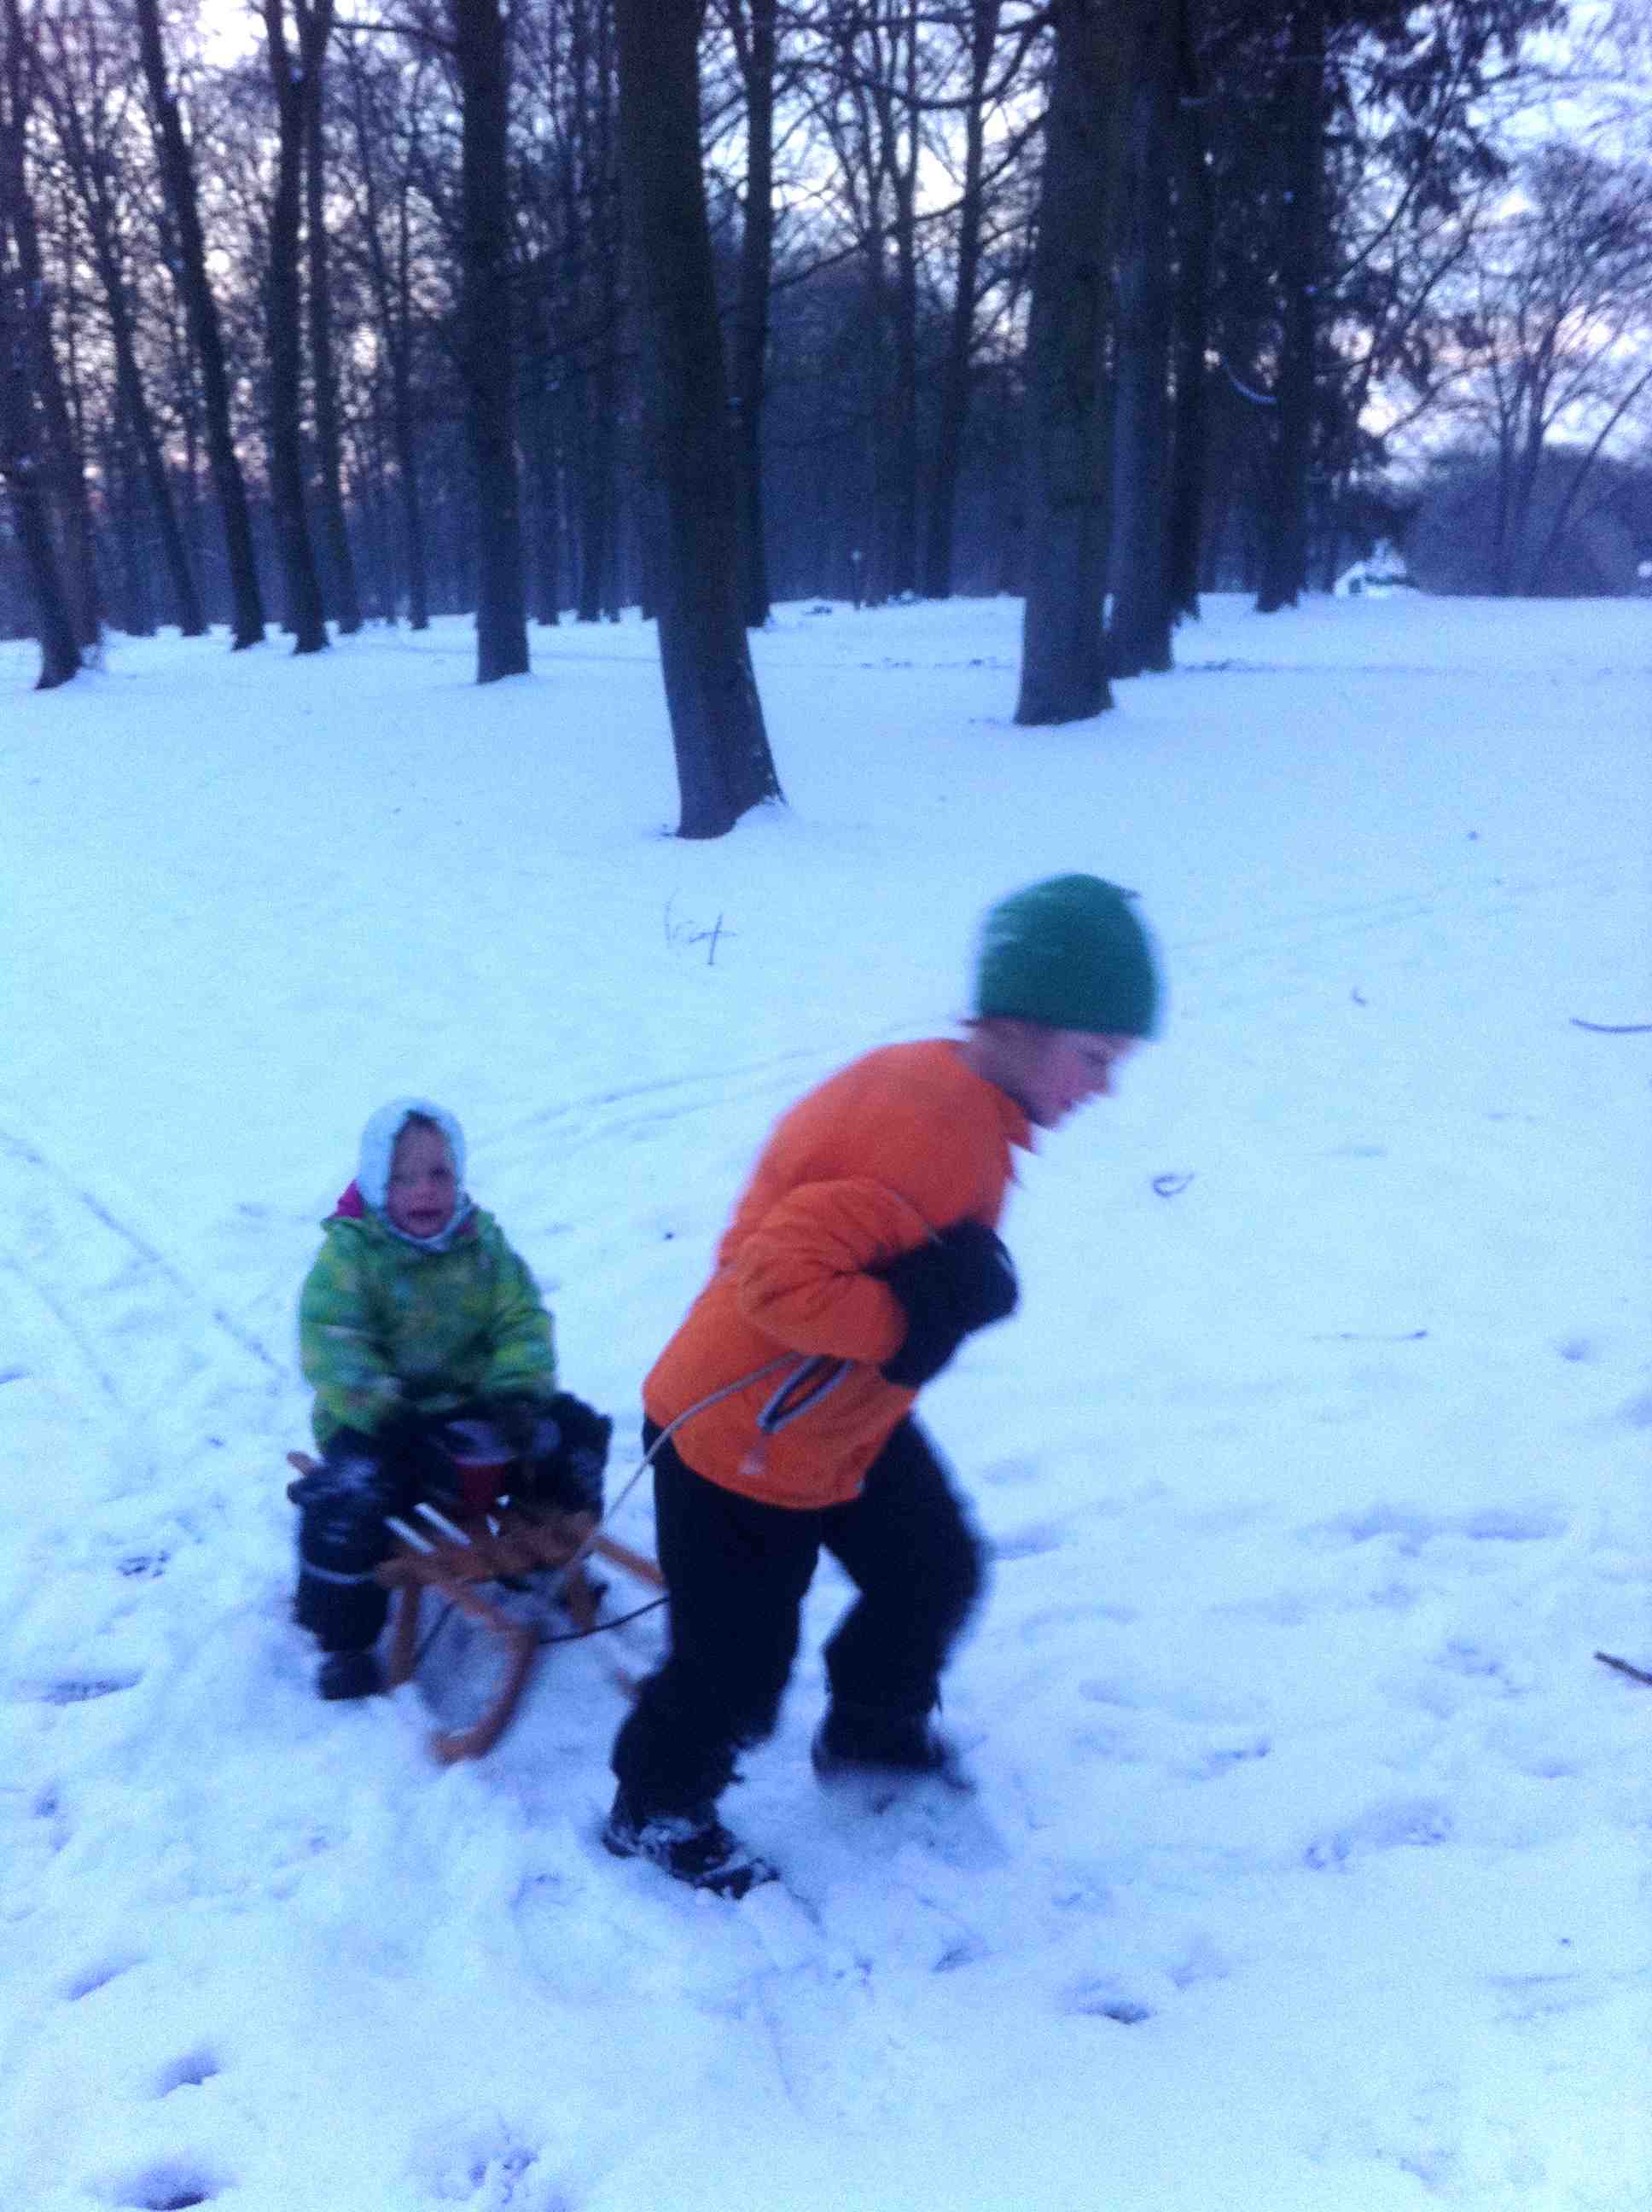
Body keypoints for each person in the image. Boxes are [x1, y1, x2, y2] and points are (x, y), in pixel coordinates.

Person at [602, 875, 1162, 1895]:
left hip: (831, 1418)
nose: (1103, 1086)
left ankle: (872, 1728)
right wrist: (914, 1319)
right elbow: (772, 1280)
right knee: (732, 1670)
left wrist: (916, 1316)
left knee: (930, 1568)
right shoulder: (927, 1130)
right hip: (740, 1437)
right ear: (1019, 1024)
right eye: (1093, 1057)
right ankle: (655, 1806)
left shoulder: (962, 1105)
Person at [291, 1097, 613, 1701]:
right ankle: (343, 1634)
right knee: (346, 1498)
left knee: (574, 1435)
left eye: (439, 1173)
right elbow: (333, 1344)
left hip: (477, 1413)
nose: (424, 1190)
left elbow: (522, 1322)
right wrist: (389, 1417)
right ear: (375, 1182)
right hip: (382, 1423)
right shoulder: (351, 1255)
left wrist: (517, 1395)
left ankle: (554, 1559)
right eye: (403, 1176)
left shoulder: (484, 1247)